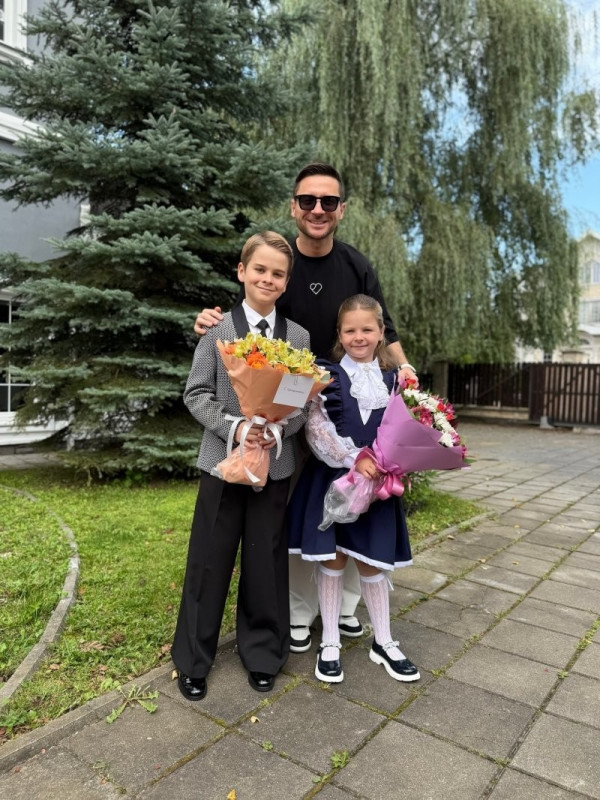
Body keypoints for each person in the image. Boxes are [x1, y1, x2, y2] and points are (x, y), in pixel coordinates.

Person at [194, 163, 418, 654]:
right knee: (299, 509)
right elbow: (248, 315)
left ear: (341, 209)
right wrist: (211, 320)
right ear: (294, 206)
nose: (318, 209)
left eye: (328, 202)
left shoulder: (356, 265)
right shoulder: (278, 262)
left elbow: (385, 326)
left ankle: (345, 609)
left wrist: (405, 370)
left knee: (359, 501)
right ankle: (298, 611)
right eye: (308, 200)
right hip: (285, 409)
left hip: (345, 403)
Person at [172, 231, 310, 700]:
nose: (268, 279)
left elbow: (303, 404)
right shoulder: (217, 330)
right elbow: (196, 393)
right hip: (221, 462)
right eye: (260, 269)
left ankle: (263, 653)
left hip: (274, 465)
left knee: (265, 561)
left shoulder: (298, 337)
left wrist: (276, 431)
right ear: (242, 271)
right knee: (209, 560)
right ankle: (193, 659)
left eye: (278, 273)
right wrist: (235, 428)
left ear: (286, 282)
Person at [287, 294, 420, 683]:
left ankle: (384, 640)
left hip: (378, 486)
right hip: (333, 479)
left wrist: (399, 463)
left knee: (373, 560)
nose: (358, 337)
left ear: (380, 333)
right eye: (350, 330)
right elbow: (315, 426)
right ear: (339, 334)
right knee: (332, 558)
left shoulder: (395, 380)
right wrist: (352, 457)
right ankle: (329, 640)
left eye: (367, 329)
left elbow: (405, 428)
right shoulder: (322, 373)